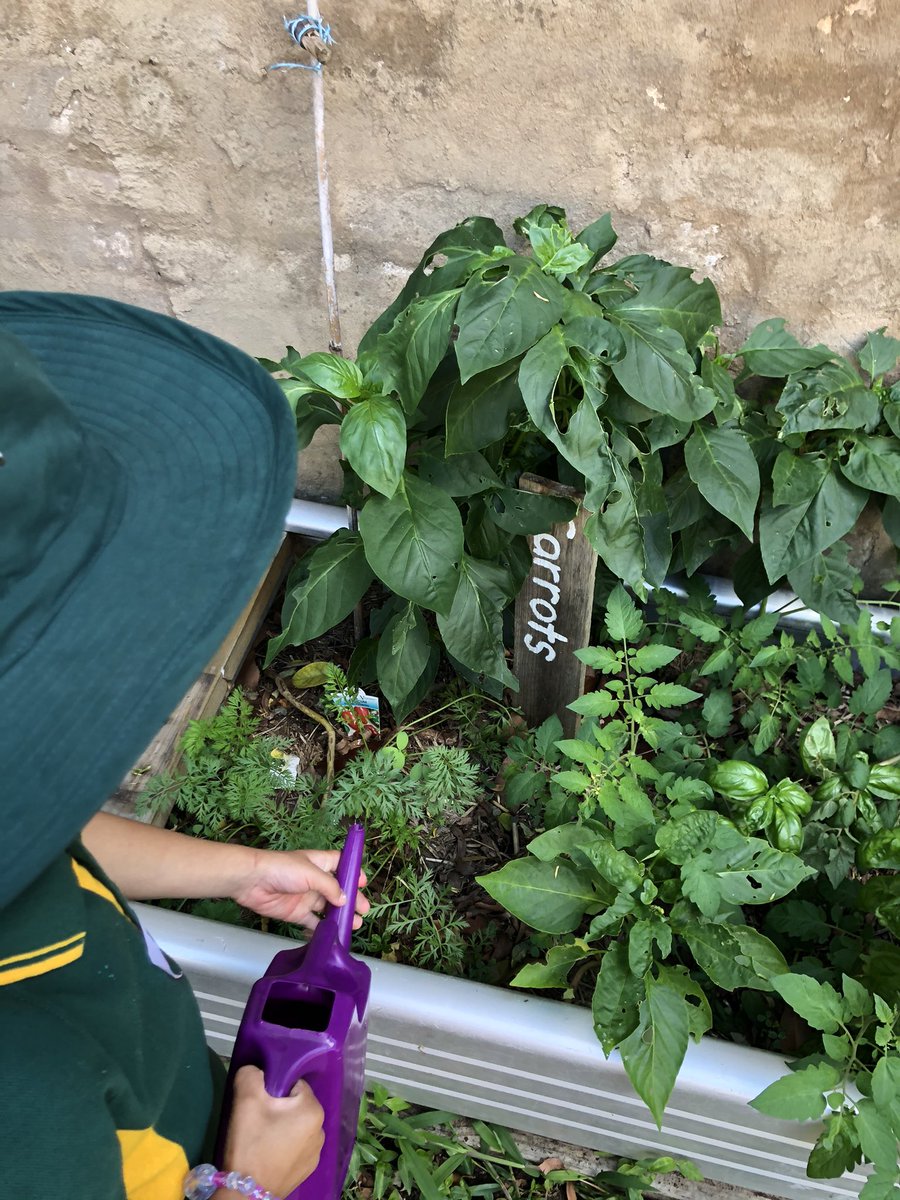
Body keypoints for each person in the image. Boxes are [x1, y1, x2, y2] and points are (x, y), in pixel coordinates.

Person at [0, 292, 368, 1200]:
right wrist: (248, 1182)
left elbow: (43, 835)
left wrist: (235, 870)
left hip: (168, 1097)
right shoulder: (26, 1117)